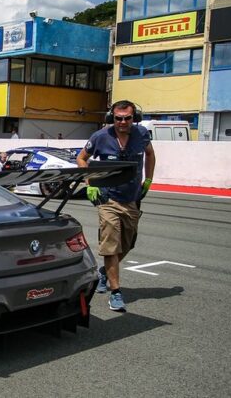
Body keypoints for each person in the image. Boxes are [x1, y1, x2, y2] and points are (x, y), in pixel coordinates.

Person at [76, 100, 156, 312]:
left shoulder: (142, 135)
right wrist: (90, 182)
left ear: (134, 118)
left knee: (127, 244)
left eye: (127, 118)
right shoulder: (100, 136)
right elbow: (82, 158)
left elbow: (150, 154)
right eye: (118, 118)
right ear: (112, 117)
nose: (122, 122)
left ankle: (105, 272)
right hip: (107, 198)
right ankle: (116, 292)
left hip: (131, 198)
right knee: (111, 245)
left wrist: (148, 180)